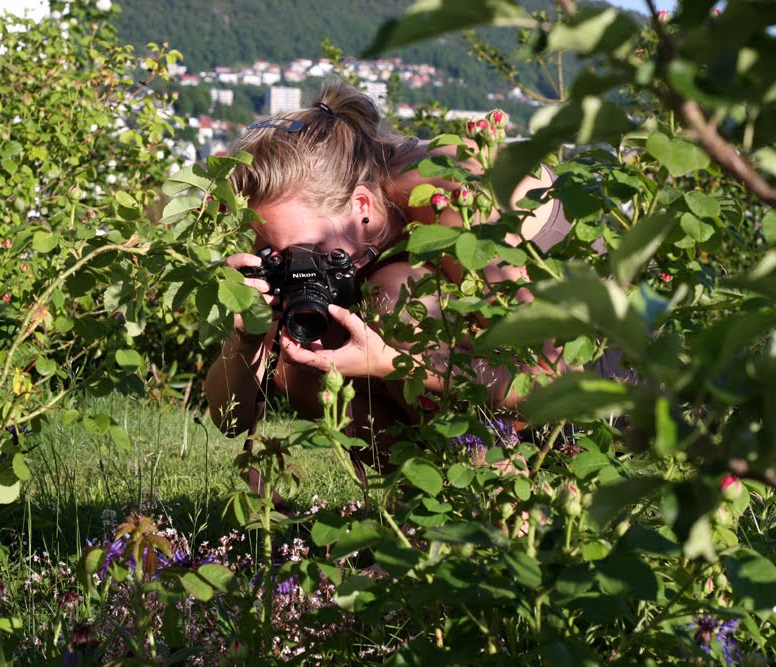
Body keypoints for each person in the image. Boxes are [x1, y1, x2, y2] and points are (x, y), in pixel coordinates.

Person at [203, 80, 569, 472]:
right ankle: (431, 490)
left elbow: (551, 379)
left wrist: (392, 363)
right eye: (267, 252)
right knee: (300, 363)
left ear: (361, 205)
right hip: (501, 392)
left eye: (301, 250)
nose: (290, 265)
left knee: (393, 296)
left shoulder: (451, 193)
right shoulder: (305, 226)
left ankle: (498, 483)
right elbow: (230, 421)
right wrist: (245, 337)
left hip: (598, 379)